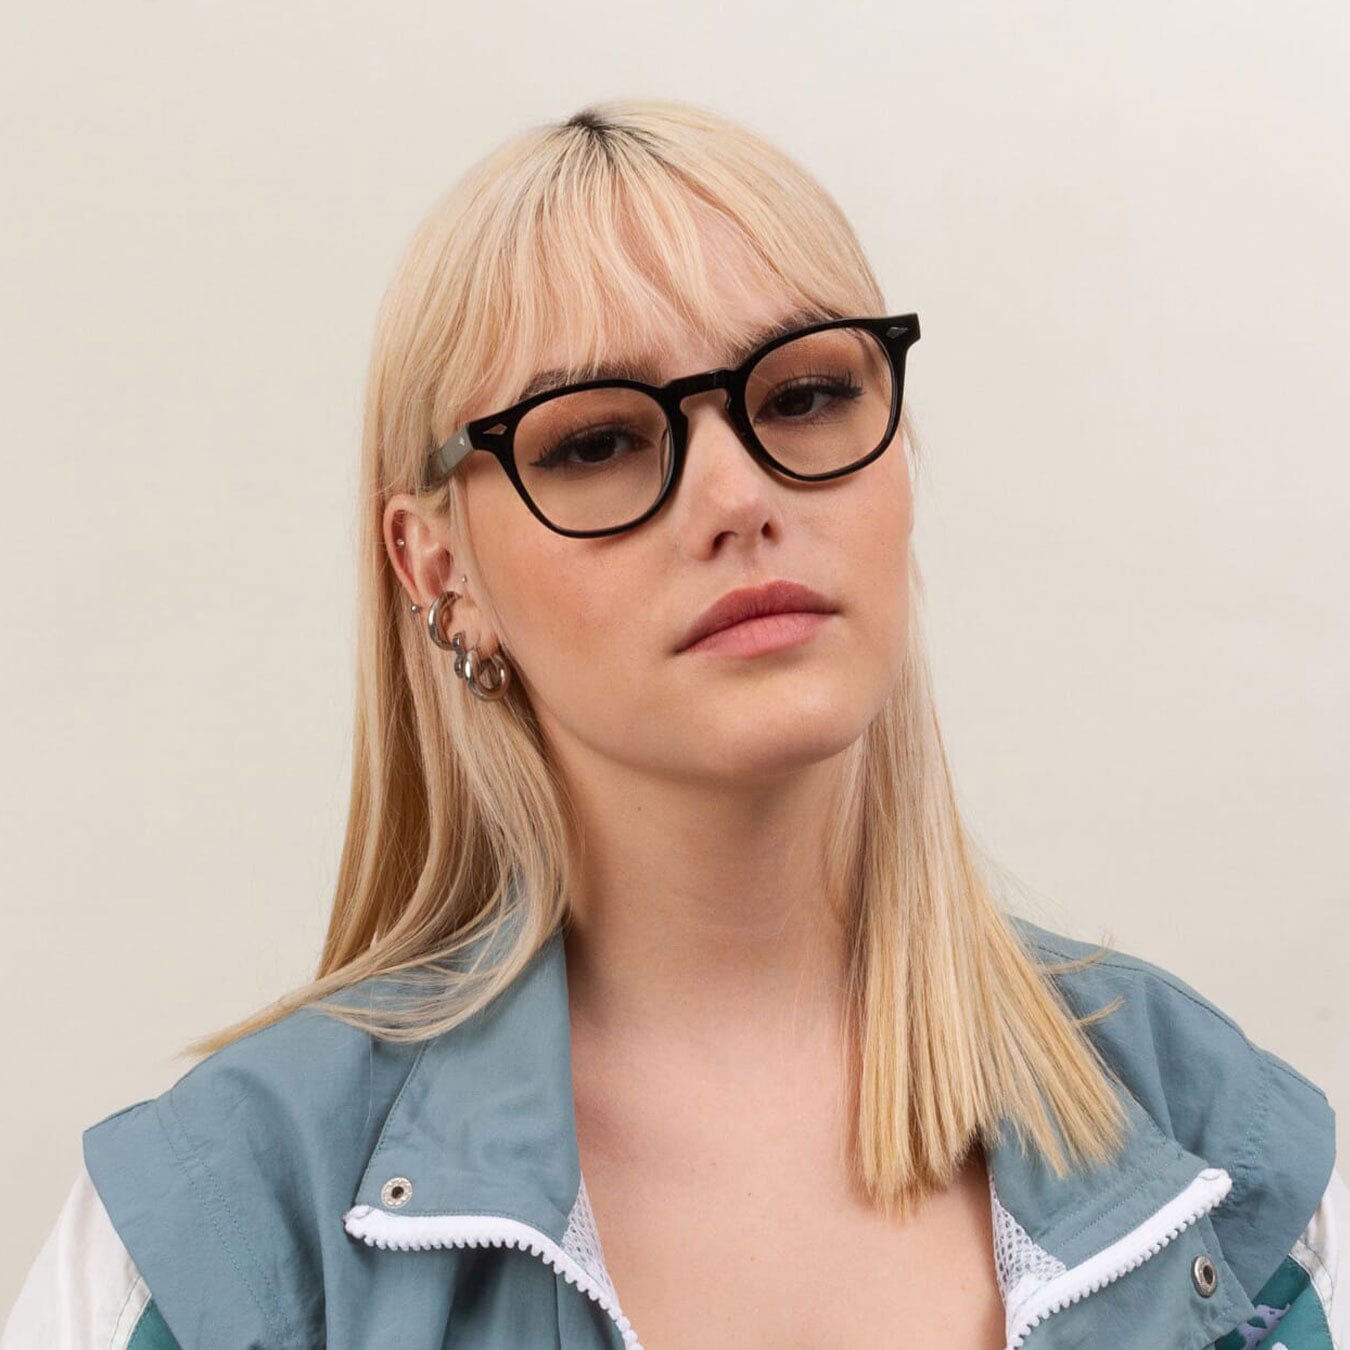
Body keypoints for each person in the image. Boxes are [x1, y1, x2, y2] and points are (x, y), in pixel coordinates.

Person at [4, 97, 1345, 1350]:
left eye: (804, 395)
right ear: (437, 568)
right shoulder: (227, 1227)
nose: (738, 494)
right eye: (596, 440)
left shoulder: (1224, 1157)